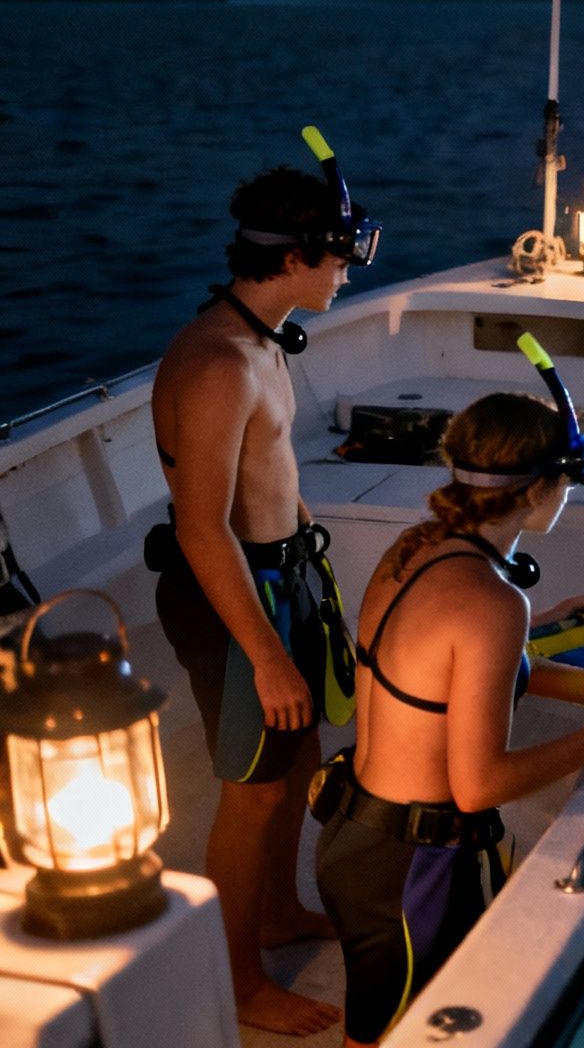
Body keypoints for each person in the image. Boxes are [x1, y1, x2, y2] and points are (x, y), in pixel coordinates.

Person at [315, 392, 584, 1046]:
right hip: (416, 867)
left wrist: (546, 622)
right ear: (541, 488)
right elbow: (479, 786)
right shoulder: (493, 603)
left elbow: (426, 652)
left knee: (384, 1023)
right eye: (573, 478)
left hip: (354, 836)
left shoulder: (418, 546)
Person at [151, 163, 376, 1036]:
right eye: (342, 258)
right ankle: (238, 981)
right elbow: (203, 528)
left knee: (294, 767)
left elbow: (269, 478)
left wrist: (314, 582)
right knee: (249, 791)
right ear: (298, 257)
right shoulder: (216, 363)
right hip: (234, 597)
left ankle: (279, 913)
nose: (348, 274)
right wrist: (269, 655)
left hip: (285, 580)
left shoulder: (262, 340)